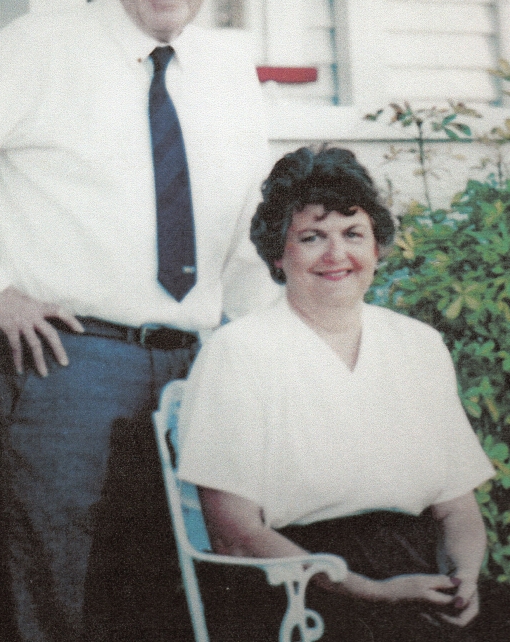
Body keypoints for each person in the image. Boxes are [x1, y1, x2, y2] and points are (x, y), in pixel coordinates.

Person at [0, 0, 277, 642]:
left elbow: (249, 225)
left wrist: (260, 344)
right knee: (58, 589)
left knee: (180, 587)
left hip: (200, 365)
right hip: (69, 363)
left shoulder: (228, 70)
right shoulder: (39, 47)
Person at [177, 146, 509, 642]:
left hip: (418, 570)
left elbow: (456, 509)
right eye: (311, 238)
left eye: (353, 234)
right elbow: (236, 535)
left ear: (377, 248)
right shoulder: (240, 351)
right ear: (277, 255)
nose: (337, 255)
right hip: (299, 586)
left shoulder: (418, 345)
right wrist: (372, 592)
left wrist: (463, 580)